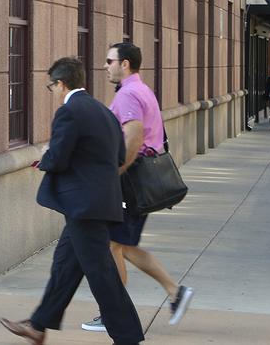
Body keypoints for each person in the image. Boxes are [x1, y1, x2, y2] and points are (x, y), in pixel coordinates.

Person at [0, 57, 145, 345]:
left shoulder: (69, 111)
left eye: (51, 86)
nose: (52, 91)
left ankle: (128, 338)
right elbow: (118, 157)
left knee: (101, 273)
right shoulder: (103, 111)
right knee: (65, 266)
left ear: (61, 83)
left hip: (83, 206)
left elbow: (58, 158)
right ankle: (38, 326)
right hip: (97, 203)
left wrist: (45, 157)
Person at [82, 43, 193, 333]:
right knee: (123, 245)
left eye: (110, 60)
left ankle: (113, 313)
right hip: (138, 178)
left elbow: (133, 139)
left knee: (112, 245)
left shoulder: (129, 94)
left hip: (129, 179)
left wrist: (114, 173)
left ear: (125, 64)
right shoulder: (140, 89)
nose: (105, 65)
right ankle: (174, 291)